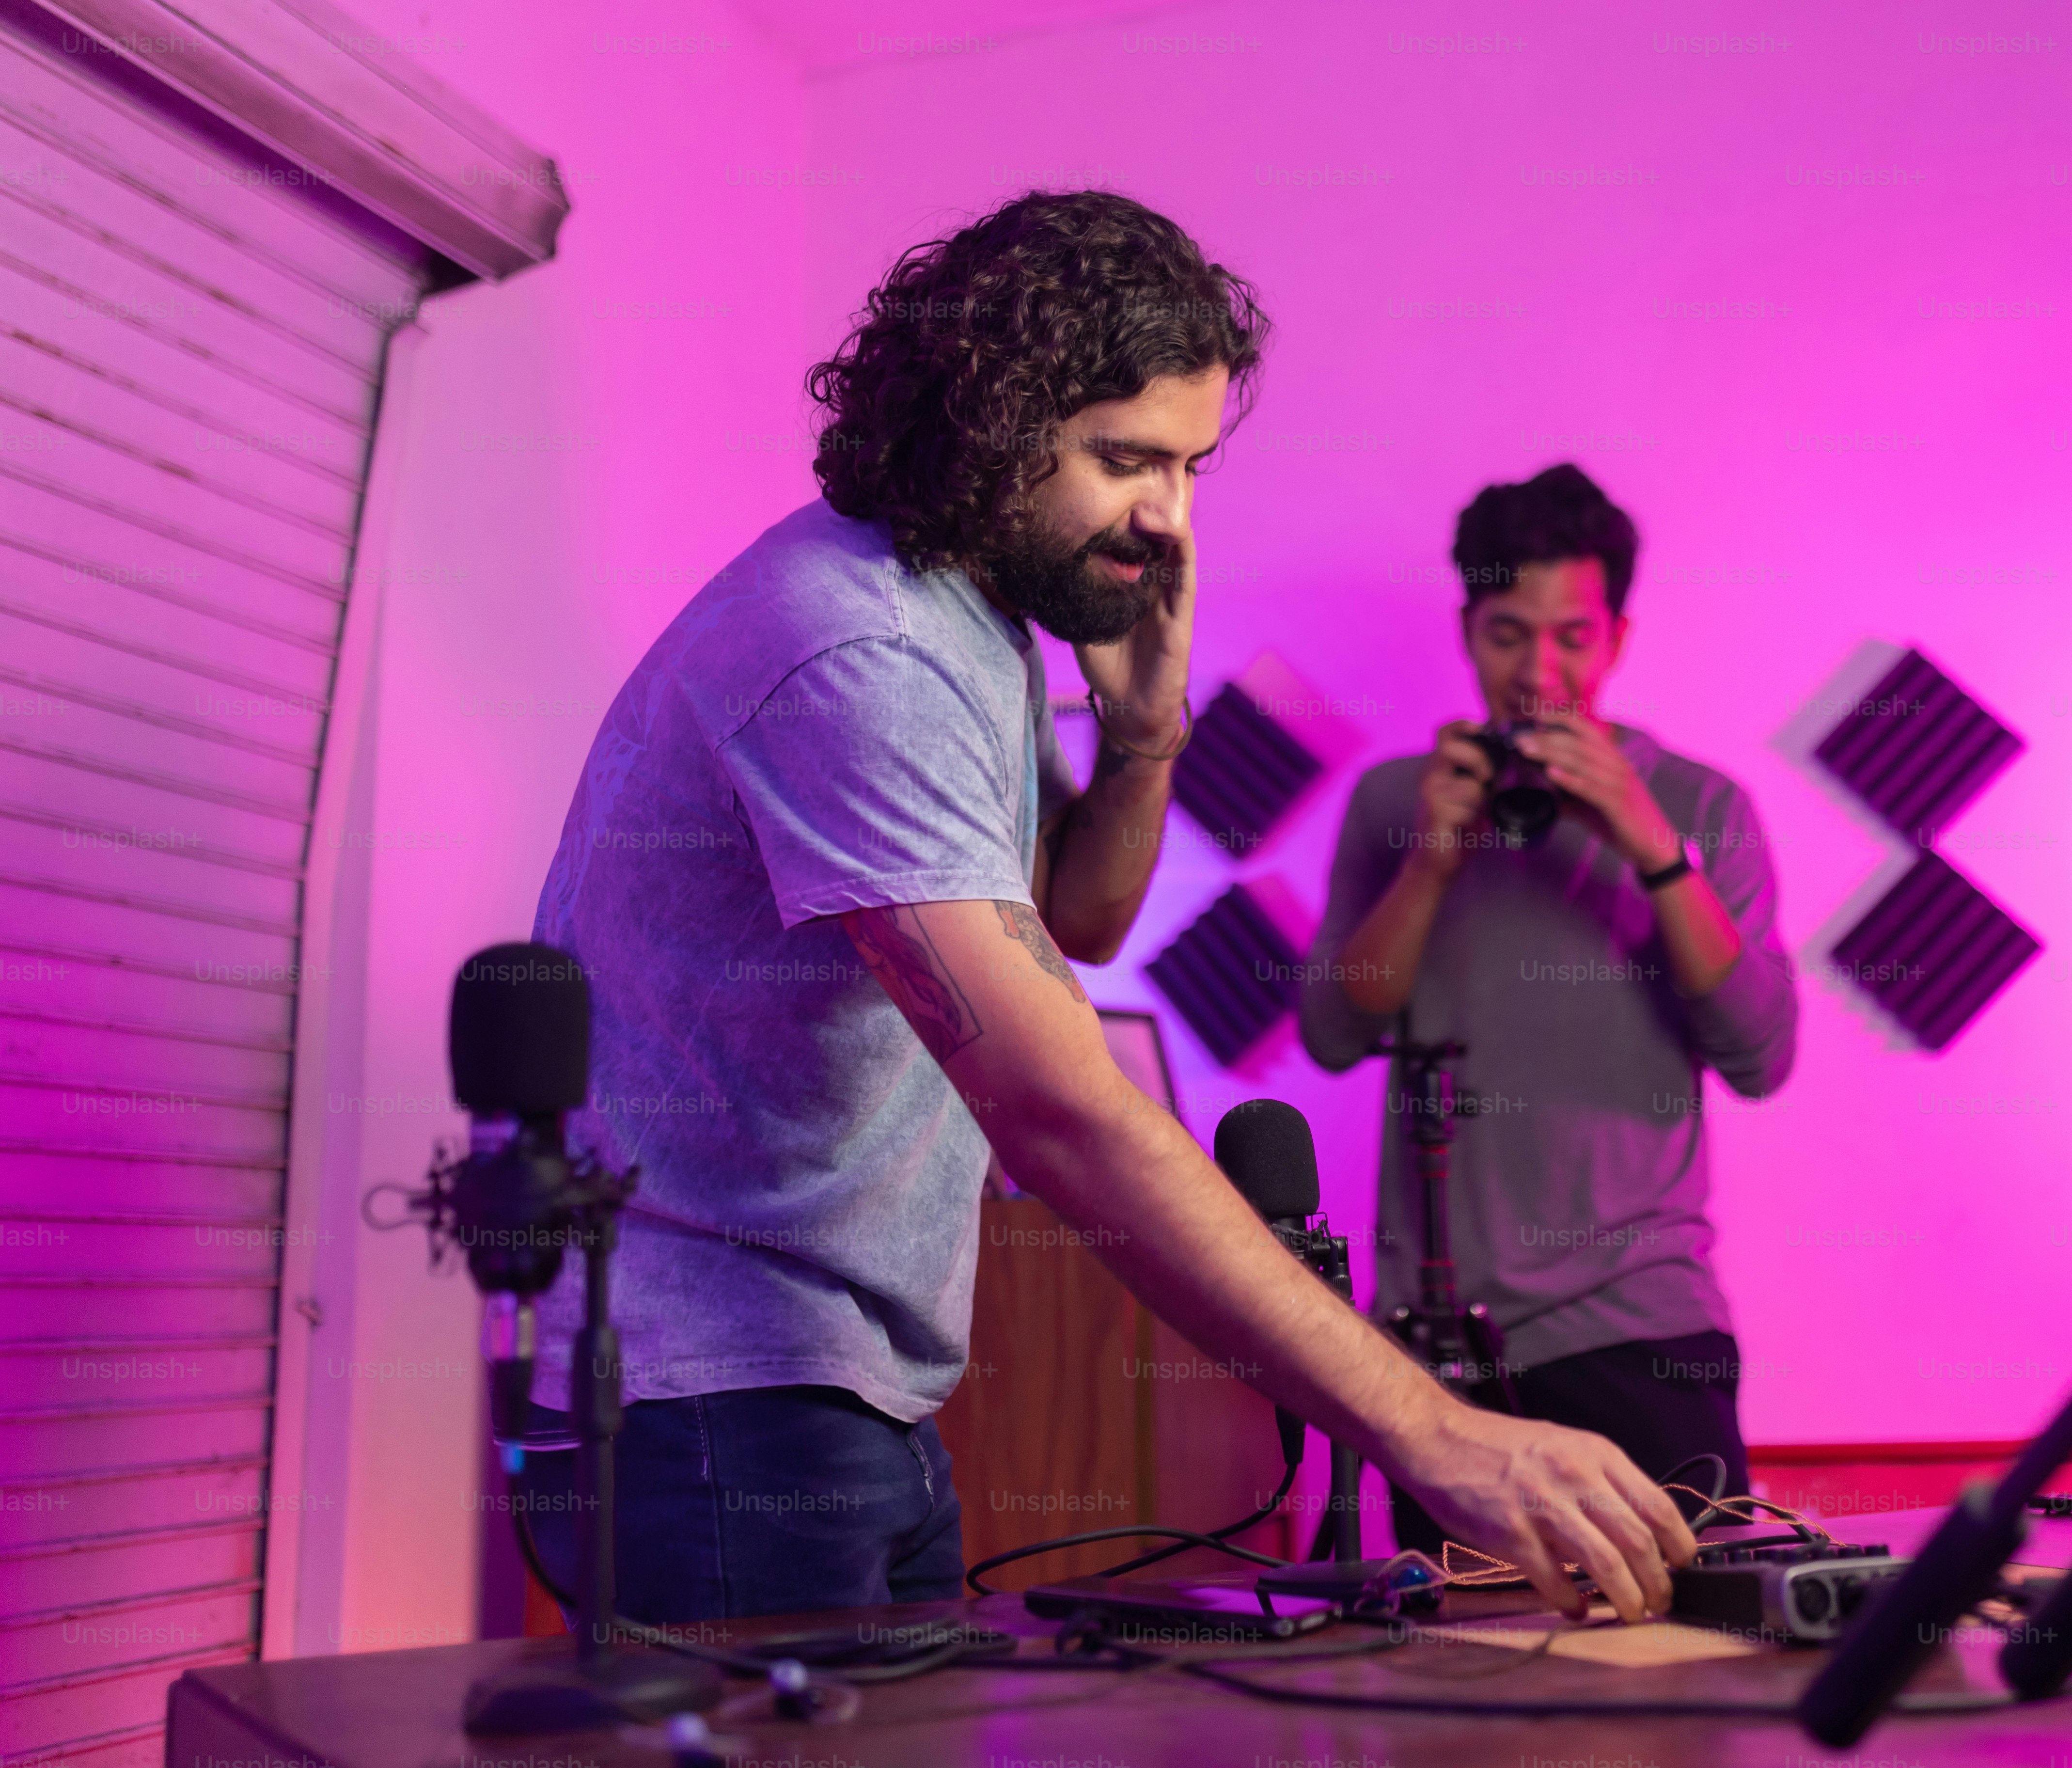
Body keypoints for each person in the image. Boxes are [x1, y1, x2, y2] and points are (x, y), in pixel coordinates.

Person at [512, 194, 1691, 1624]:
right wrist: (1436, 1432)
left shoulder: (969, 616)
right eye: (1126, 460)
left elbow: (1072, 920)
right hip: (715, 1405)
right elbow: (1059, 1109)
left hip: (837, 1389)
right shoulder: (861, 651)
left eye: (1189, 466)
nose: (1168, 518)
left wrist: (1142, 738)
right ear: (986, 422)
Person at [1301, 463, 1799, 1553]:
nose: (1538, 673)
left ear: (1616, 639)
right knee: (1459, 1653)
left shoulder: (1702, 805)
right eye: (1507, 635)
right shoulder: (1396, 803)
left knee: (1694, 1644)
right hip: (1441, 1363)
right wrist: (1432, 862)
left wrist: (1651, 845)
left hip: (1644, 1331)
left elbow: (1762, 1054)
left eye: (1572, 638)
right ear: (1467, 632)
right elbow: (1332, 1035)